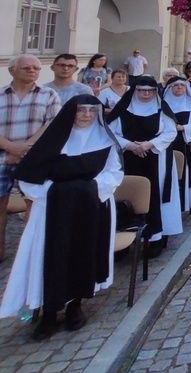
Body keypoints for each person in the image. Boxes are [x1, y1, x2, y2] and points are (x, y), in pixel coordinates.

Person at [0, 95, 123, 339]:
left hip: (91, 206)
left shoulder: (105, 141)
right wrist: (56, 193)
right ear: (70, 113)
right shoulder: (52, 140)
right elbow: (29, 177)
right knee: (49, 256)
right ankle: (48, 312)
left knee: (82, 253)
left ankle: (75, 306)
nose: (86, 115)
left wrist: (88, 189)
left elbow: (114, 172)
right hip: (51, 210)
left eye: (91, 110)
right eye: (80, 110)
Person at [107, 76, 182, 248]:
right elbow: (110, 133)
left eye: (150, 91)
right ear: (134, 91)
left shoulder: (161, 109)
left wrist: (149, 144)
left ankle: (154, 236)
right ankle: (123, 237)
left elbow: (170, 132)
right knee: (125, 196)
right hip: (125, 157)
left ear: (155, 92)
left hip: (156, 157)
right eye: (141, 90)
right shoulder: (123, 109)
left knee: (155, 195)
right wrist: (130, 145)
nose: (146, 94)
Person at [0, 55, 62, 261]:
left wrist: (24, 149)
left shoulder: (48, 94)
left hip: (35, 159)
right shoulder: (0, 95)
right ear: (12, 71)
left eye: (36, 68)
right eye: (26, 68)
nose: (33, 71)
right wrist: (10, 147)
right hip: (3, 157)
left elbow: (52, 125)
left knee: (33, 208)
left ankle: (30, 255)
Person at [161, 77, 191, 211]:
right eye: (175, 86)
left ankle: (185, 202)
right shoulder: (161, 104)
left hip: (185, 141)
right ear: (169, 88)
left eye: (182, 86)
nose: (179, 88)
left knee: (186, 172)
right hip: (165, 143)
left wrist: (184, 128)